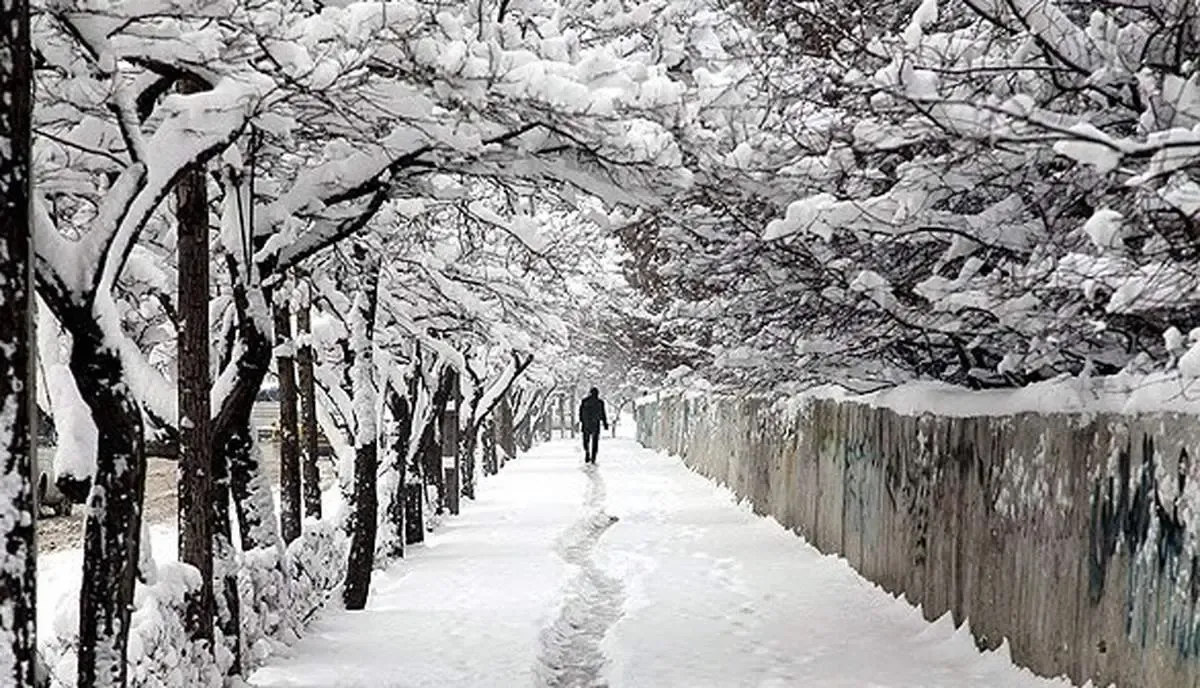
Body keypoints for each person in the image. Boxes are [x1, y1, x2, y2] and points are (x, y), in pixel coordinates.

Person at [578, 387, 609, 464]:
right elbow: (603, 413)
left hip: (586, 424)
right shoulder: (600, 402)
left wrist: (581, 421)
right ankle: (593, 457)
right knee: (595, 442)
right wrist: (605, 423)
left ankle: (587, 452)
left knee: (586, 440)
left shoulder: (585, 401)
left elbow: (581, 412)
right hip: (595, 424)